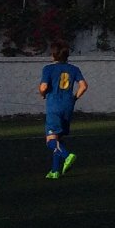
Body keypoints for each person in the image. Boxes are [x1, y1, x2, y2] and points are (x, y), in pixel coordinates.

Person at [37, 45, 87, 179]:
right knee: (58, 138)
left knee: (50, 140)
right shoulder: (74, 69)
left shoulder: (48, 69)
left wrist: (42, 93)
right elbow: (83, 86)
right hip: (68, 106)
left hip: (54, 106)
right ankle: (55, 171)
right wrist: (74, 98)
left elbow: (43, 87)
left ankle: (67, 155)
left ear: (53, 55)